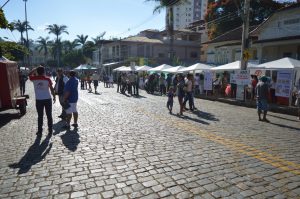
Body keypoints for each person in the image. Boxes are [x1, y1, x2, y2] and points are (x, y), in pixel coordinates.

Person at [29, 66, 56, 135]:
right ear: (44, 71)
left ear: (37, 72)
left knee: (40, 116)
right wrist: (54, 96)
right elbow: (51, 88)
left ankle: (40, 131)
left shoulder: (34, 78)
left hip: (39, 100)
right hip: (47, 99)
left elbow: (29, 75)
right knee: (49, 115)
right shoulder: (47, 79)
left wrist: (33, 70)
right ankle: (50, 130)